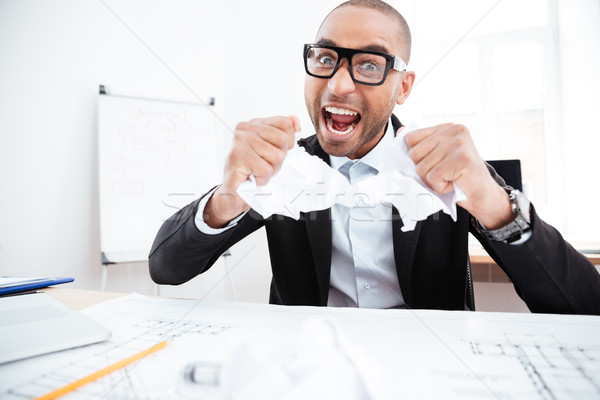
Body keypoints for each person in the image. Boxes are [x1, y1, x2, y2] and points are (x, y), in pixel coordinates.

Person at [149, 0, 600, 314]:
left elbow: (584, 305)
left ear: (403, 86)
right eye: (325, 57)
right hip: (306, 371)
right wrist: (229, 197)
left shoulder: (447, 167)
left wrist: (498, 207)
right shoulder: (282, 168)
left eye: (369, 64)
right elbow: (166, 269)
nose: (339, 84)